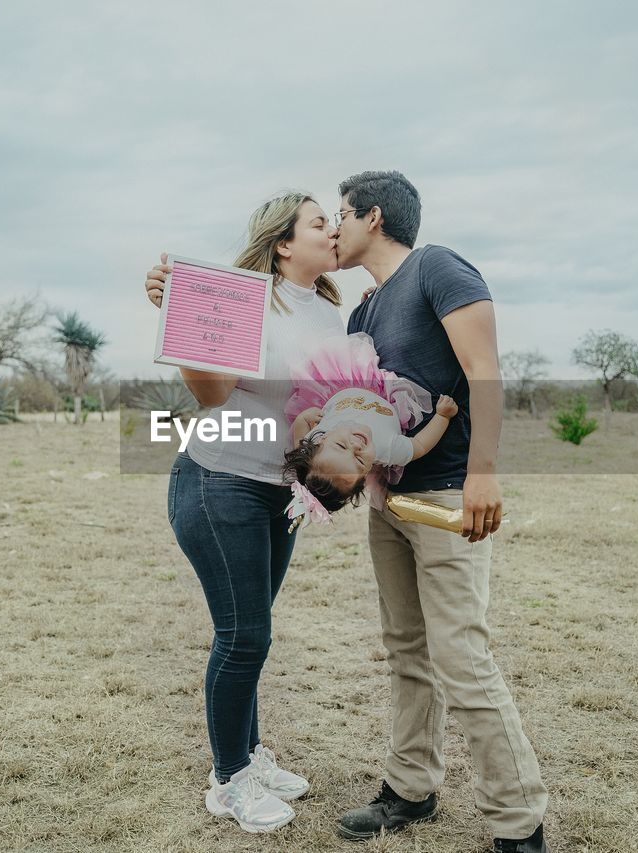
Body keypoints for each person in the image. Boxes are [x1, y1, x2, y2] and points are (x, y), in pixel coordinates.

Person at [330, 171, 550, 853]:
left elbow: (483, 367)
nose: (333, 228)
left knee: (461, 653)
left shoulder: (439, 267)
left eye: (340, 213)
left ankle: (519, 825)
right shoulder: (362, 312)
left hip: (450, 494)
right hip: (389, 504)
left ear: (373, 216)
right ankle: (410, 788)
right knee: (406, 648)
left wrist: (483, 469)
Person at [143, 193, 345, 833]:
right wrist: (185, 312)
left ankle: (251, 757)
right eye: (319, 223)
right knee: (245, 634)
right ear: (283, 243)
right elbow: (207, 393)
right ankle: (229, 779)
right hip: (219, 479)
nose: (333, 230)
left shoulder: (335, 311)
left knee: (252, 631)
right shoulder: (243, 297)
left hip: (281, 489)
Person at [280, 331, 458, 525]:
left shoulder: (317, 435)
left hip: (346, 381)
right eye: (359, 460)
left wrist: (303, 418)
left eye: (341, 446)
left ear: (323, 439)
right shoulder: (387, 448)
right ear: (365, 474)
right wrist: (443, 416)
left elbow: (301, 444)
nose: (356, 446)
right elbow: (420, 446)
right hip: (386, 394)